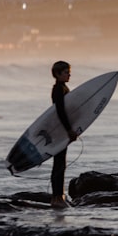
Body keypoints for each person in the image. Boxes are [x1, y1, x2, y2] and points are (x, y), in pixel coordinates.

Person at [50, 60, 78, 209]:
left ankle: (58, 196)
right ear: (58, 74)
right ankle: (56, 198)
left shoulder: (62, 87)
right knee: (59, 163)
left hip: (60, 129)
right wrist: (68, 129)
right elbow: (60, 111)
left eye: (69, 71)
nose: (69, 74)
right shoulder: (58, 89)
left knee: (61, 163)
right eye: (66, 72)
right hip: (60, 129)